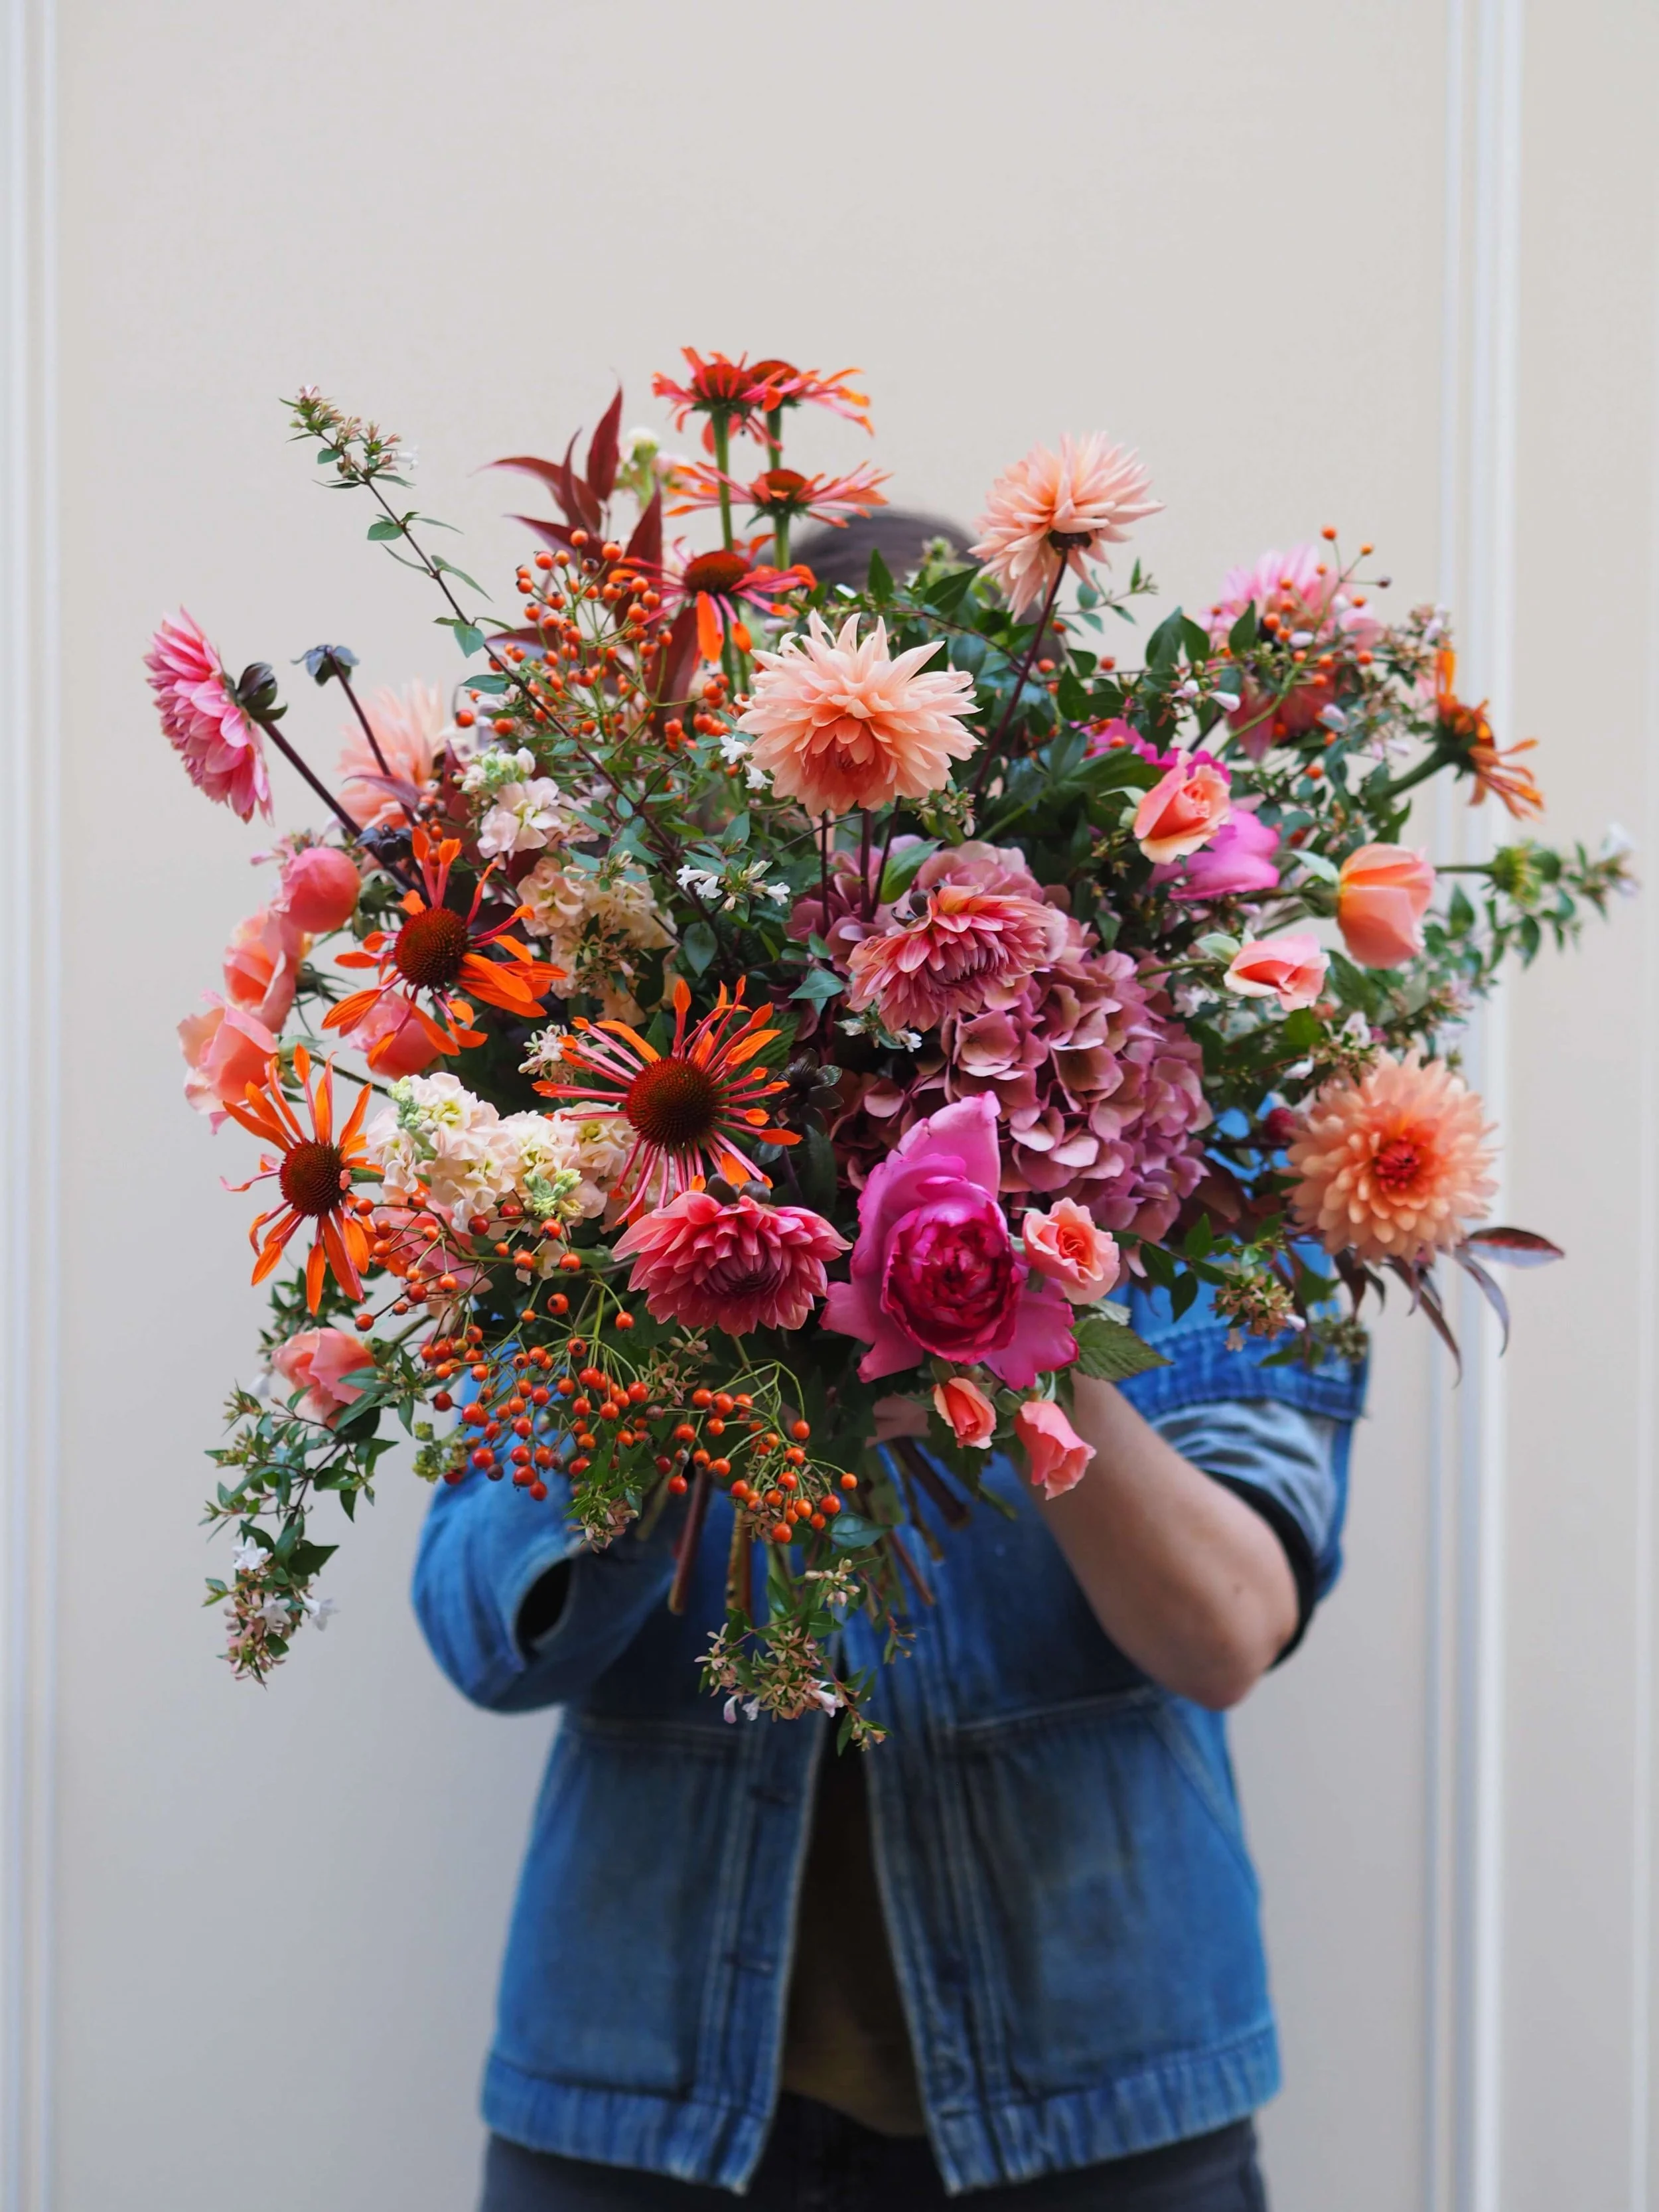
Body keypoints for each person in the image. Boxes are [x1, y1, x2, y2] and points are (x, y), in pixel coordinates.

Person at [412, 514, 1368, 2211]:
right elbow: (491, 1627)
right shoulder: (592, 1127)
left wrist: (998, 1288)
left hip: (1098, 2104)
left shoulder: (1201, 1135)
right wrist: (690, 1277)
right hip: (645, 2112)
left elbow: (1225, 1627)